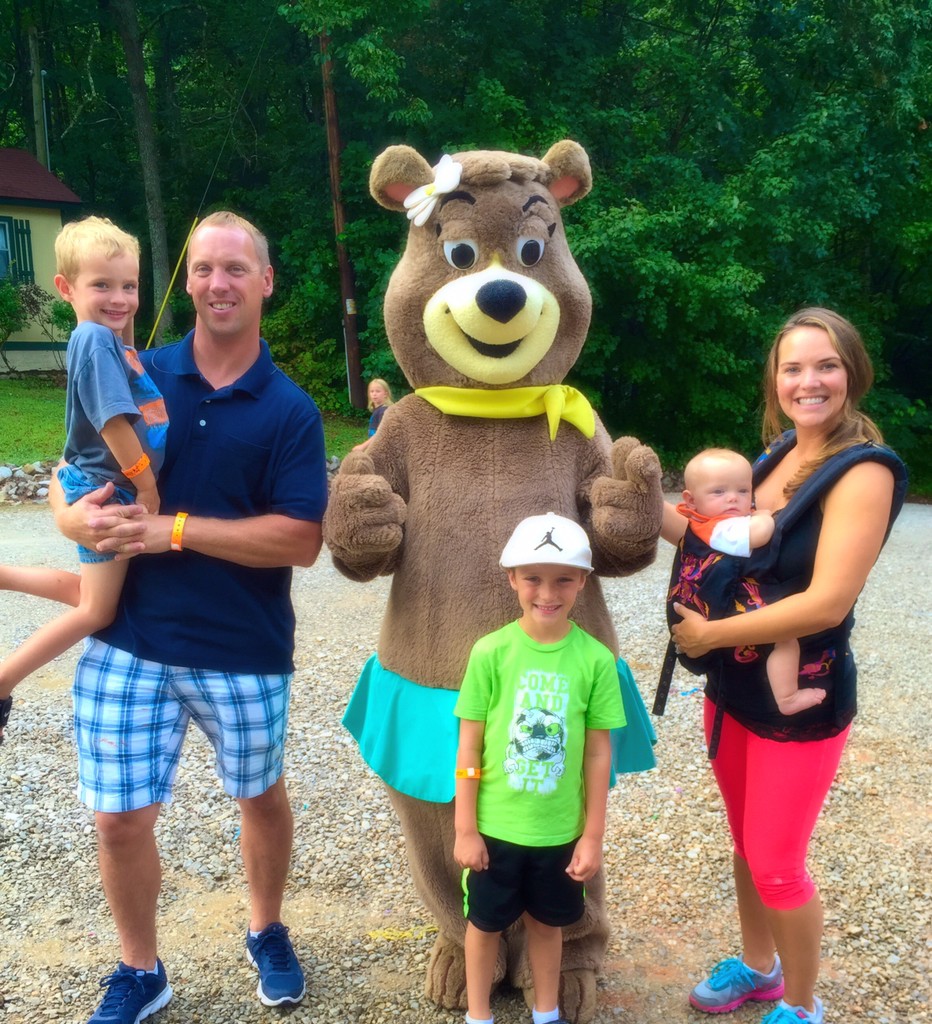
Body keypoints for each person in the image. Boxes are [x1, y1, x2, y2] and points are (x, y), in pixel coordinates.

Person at [49, 210, 329, 1024]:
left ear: (265, 281)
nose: (217, 283)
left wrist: (170, 528)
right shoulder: (136, 367)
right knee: (118, 819)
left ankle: (266, 927)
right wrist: (75, 523)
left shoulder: (290, 410)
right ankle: (141, 971)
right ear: (188, 278)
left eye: (236, 268)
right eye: (203, 268)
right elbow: (75, 471)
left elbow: (301, 541)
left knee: (260, 797)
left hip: (243, 648)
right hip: (129, 638)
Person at [670, 309, 908, 1024]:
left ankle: (800, 1007)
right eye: (793, 368)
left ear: (852, 373)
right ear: (775, 383)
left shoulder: (864, 472)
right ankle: (759, 968)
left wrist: (712, 636)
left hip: (801, 699)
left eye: (826, 365)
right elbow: (704, 526)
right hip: (735, 691)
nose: (810, 381)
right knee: (745, 846)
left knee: (777, 861)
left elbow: (827, 604)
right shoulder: (771, 459)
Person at [453, 512, 625, 1024]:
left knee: (549, 927)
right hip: (493, 829)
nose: (547, 592)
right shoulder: (490, 653)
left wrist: (592, 836)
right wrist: (465, 827)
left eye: (563, 579)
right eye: (533, 577)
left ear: (582, 582)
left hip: (558, 833)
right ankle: (477, 1015)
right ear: (512, 578)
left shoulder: (596, 661)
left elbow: (598, 754)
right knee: (484, 926)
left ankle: (546, 1013)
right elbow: (468, 750)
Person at [0, 217, 167, 742]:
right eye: (102, 285)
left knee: (90, 594)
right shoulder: (94, 339)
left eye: (129, 286)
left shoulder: (111, 341)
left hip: (101, 483)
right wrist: (145, 486)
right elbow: (114, 422)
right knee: (97, 609)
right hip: (110, 488)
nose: (119, 298)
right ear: (66, 288)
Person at [662, 448, 825, 715]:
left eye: (742, 491)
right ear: (690, 501)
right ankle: (787, 697)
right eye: (718, 492)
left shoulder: (701, 521)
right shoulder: (719, 527)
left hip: (722, 603)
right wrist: (764, 515)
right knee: (785, 639)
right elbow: (760, 534)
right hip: (738, 606)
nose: (732, 499)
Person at [351, 377, 393, 451]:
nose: (374, 394)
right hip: (375, 447)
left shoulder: (383, 411)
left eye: (378, 391)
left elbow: (381, 433)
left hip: (382, 449)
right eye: (372, 391)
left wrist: (363, 446)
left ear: (386, 394)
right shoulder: (377, 410)